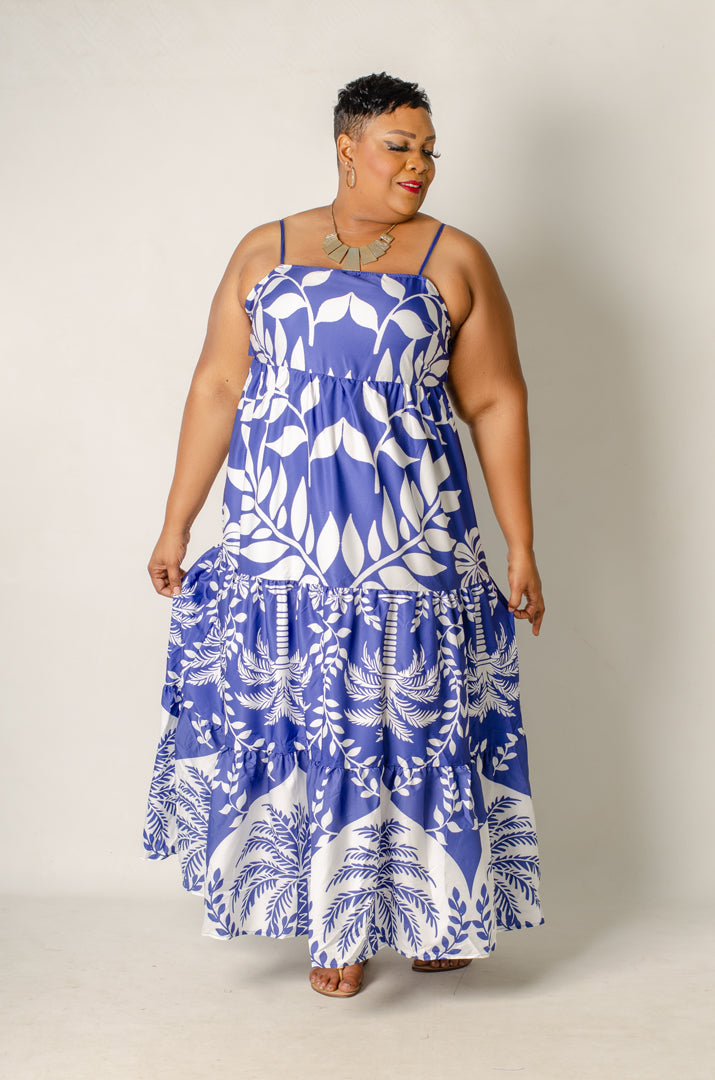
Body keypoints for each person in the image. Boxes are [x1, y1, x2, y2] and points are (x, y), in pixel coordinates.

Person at [143, 71, 546, 999]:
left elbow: (493, 400)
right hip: (280, 543)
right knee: (310, 714)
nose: (419, 165)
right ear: (347, 147)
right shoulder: (264, 249)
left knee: (408, 720)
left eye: (430, 150)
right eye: (400, 145)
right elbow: (215, 387)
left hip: (413, 537)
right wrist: (176, 521)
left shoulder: (456, 258)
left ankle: (435, 912)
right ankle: (337, 927)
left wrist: (521, 543)